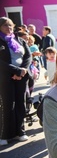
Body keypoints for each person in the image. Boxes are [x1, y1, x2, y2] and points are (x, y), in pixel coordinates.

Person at [0, 17, 31, 145]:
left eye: (11, 25)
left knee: (20, 104)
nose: (9, 28)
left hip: (21, 78)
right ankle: (5, 134)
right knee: (8, 105)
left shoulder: (19, 40)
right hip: (5, 78)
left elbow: (28, 56)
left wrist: (23, 70)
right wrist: (15, 71)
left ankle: (20, 131)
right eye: (5, 25)